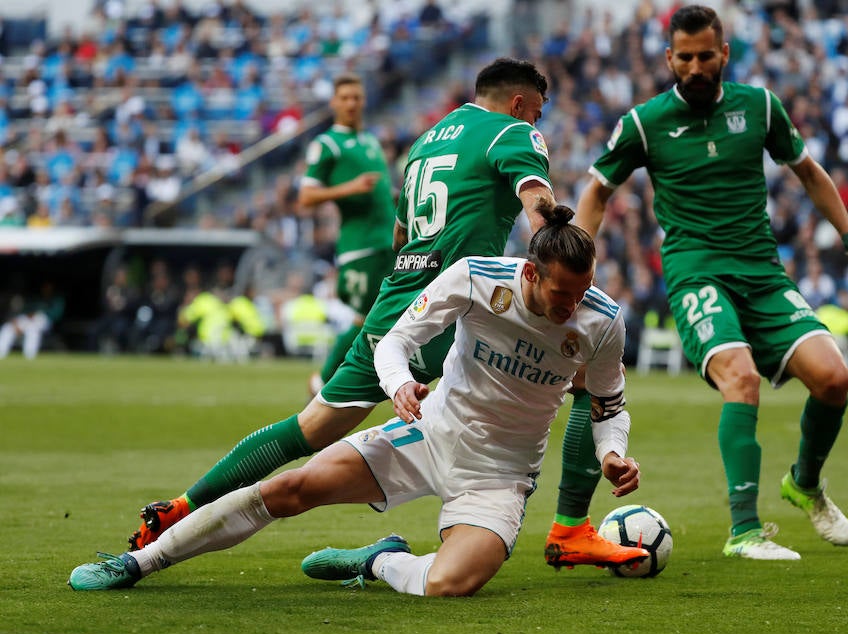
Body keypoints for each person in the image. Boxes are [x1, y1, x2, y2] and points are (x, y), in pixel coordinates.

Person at [127, 58, 637, 570]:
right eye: (537, 114)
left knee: (311, 426)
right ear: (519, 104)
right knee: (589, 379)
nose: (536, 123)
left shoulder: (428, 140)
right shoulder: (514, 133)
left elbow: (400, 235)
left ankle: (183, 506)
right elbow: (539, 207)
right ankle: (570, 528)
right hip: (458, 306)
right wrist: (558, 268)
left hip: (396, 302)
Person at [68, 203, 649, 595]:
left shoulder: (602, 321)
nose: (572, 305)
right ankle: (140, 562)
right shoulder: (476, 277)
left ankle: (378, 560)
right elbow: (395, 342)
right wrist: (398, 385)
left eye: (582, 291)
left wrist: (611, 455)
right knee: (291, 489)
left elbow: (608, 407)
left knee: (450, 585)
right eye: (562, 293)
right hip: (429, 431)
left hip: (499, 475)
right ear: (530, 273)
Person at [571, 5, 848, 560]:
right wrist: (575, 262)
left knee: (835, 379)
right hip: (696, 272)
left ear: (723, 54)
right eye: (684, 58)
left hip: (762, 272)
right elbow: (597, 190)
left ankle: (805, 483)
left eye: (705, 56)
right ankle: (744, 532)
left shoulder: (759, 106)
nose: (695, 67)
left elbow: (809, 172)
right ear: (669, 58)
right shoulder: (645, 123)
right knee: (741, 377)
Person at [298, 72, 396, 395]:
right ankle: (323, 382)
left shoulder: (370, 141)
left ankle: (359, 381)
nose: (352, 103)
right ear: (334, 103)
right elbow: (306, 197)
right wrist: (349, 188)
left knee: (388, 315)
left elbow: (377, 193)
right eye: (345, 98)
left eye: (356, 97)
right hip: (360, 246)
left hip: (389, 242)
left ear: (364, 101)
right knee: (366, 317)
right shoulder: (327, 144)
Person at [0, 280, 65, 359]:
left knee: (32, 329)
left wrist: (36, 315)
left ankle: (29, 355)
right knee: (7, 327)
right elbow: (25, 311)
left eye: (48, 287)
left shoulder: (57, 299)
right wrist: (17, 323)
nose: (46, 289)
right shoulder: (36, 298)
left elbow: (55, 314)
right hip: (27, 319)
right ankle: (1, 353)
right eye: (45, 287)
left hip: (44, 321)